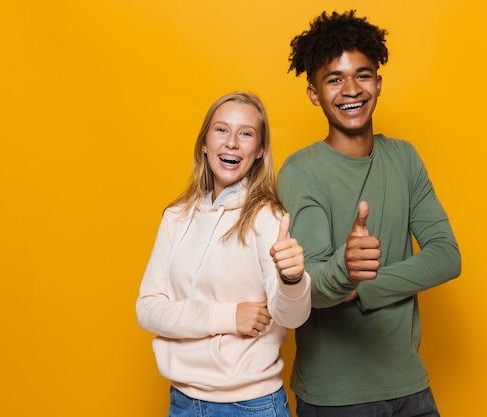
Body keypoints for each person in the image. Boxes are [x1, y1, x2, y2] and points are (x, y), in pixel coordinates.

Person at [277, 10, 462, 417]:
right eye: (334, 79)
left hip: (411, 385)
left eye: (362, 75)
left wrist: (365, 285)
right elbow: (308, 289)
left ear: (377, 83)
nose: (350, 90)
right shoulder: (300, 171)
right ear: (314, 93)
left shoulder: (404, 157)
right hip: (337, 397)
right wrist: (344, 269)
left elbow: (447, 256)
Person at [136, 91, 311, 417]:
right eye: (221, 130)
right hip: (182, 402)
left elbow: (291, 316)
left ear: (258, 151)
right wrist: (228, 317)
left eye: (245, 133)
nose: (232, 142)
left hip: (250, 406)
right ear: (204, 143)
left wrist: (293, 279)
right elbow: (147, 309)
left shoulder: (266, 217)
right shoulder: (177, 216)